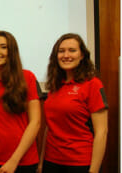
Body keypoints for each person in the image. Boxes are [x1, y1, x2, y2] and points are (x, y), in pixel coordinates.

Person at [38, 33, 108, 173]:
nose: (66, 55)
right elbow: (49, 127)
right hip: (51, 161)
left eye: (72, 50)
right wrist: (41, 163)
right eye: (61, 51)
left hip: (80, 162)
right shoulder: (55, 85)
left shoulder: (92, 84)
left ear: (82, 55)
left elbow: (102, 132)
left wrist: (93, 170)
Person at [0, 30, 42, 173]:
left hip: (23, 161)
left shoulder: (27, 77)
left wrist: (14, 161)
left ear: (12, 51)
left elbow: (35, 122)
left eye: (3, 47)